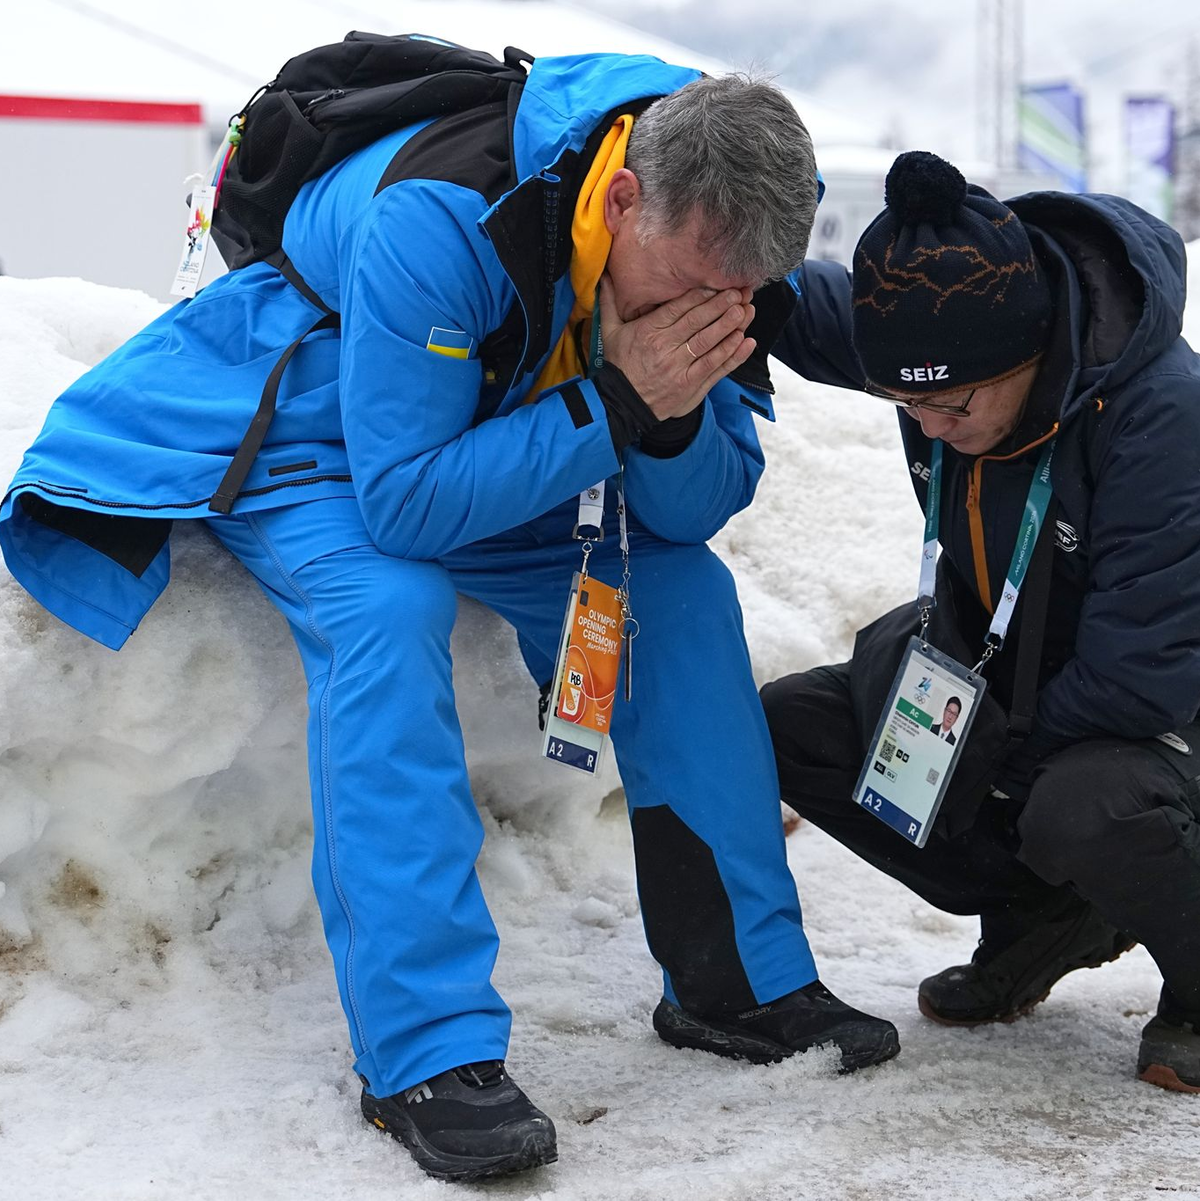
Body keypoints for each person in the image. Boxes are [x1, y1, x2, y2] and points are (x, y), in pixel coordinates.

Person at [0, 49, 899, 1183]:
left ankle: (738, 981)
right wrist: (619, 398)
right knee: (387, 605)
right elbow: (407, 501)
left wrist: (664, 420)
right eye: (687, 285)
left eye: (735, 299)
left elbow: (696, 509)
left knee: (679, 592)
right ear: (625, 197)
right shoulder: (445, 215)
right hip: (329, 424)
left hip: (526, 417)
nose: (705, 314)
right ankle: (425, 1054)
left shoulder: (712, 247)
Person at [765, 150, 1200, 1095]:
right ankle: (1041, 916)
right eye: (902, 403)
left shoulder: (1164, 417)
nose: (925, 427)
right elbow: (789, 300)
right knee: (793, 726)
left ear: (1030, 353)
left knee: (1082, 807)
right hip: (1021, 678)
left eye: (947, 403)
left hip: (1161, 717)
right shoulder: (935, 342)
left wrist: (987, 762)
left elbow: (1144, 671)